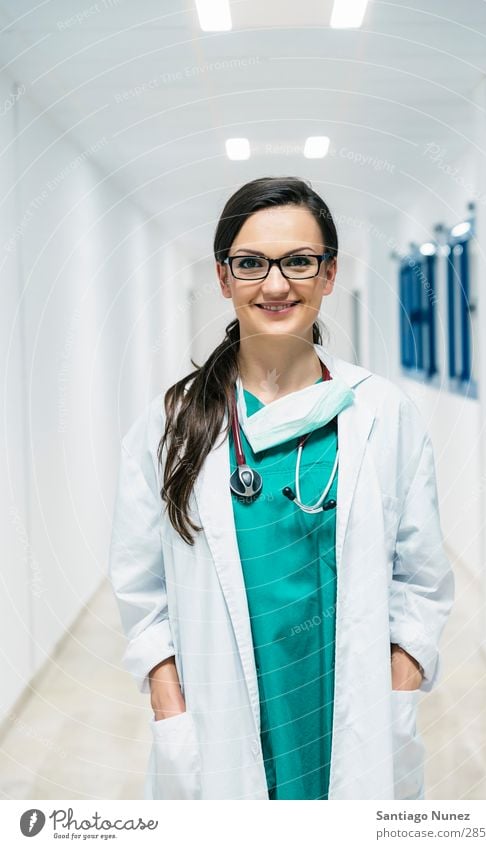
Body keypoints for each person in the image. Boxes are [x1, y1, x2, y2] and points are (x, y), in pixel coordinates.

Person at [108, 176, 455, 801]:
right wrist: (167, 698)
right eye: (250, 264)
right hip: (219, 719)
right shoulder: (172, 425)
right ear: (223, 277)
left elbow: (423, 577)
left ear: (329, 274)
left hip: (352, 713)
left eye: (298, 261)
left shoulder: (383, 413)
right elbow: (140, 588)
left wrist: (401, 682)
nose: (275, 285)